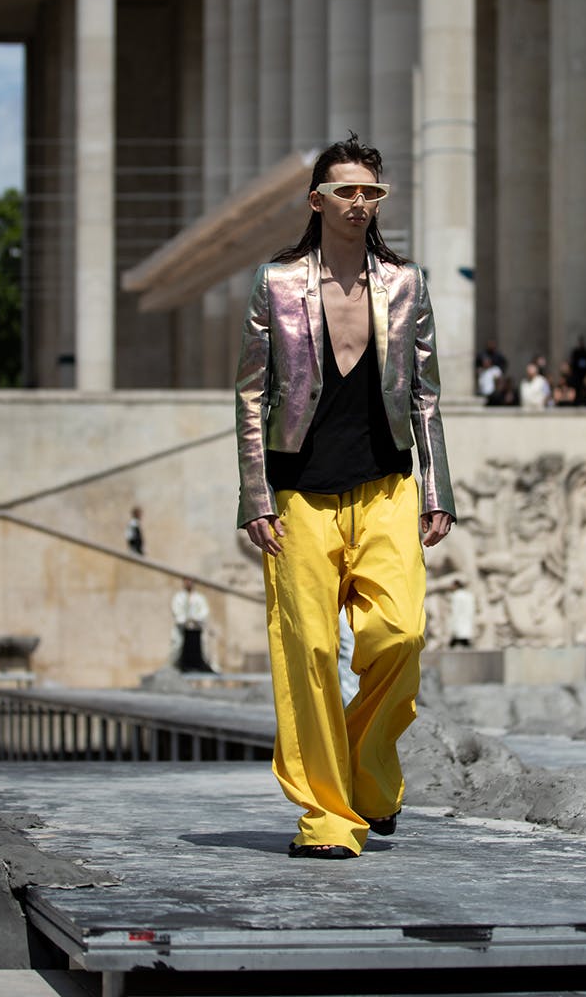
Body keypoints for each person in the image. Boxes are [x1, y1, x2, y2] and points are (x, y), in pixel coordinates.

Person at [235, 132, 455, 861]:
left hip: (388, 484)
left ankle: (367, 771)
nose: (360, 203)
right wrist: (255, 497)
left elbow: (425, 394)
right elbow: (250, 395)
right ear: (317, 201)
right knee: (310, 650)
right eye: (347, 191)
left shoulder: (407, 284)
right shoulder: (275, 284)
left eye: (372, 192)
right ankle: (329, 817)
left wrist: (437, 488)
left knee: (401, 634)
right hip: (299, 493)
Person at [171, 577, 215, 673]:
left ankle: (203, 666)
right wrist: (186, 620)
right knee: (177, 648)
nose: (189, 583)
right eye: (187, 581)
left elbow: (204, 612)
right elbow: (176, 611)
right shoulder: (179, 597)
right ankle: (177, 667)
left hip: (197, 630)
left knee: (204, 648)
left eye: (190, 581)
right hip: (183, 629)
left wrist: (195, 619)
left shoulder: (199, 598)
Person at [447, 576, 476, 648]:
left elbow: (455, 611)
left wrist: (452, 623)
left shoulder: (456, 596)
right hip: (466, 620)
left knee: (458, 638)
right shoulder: (468, 595)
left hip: (459, 621)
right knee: (463, 638)